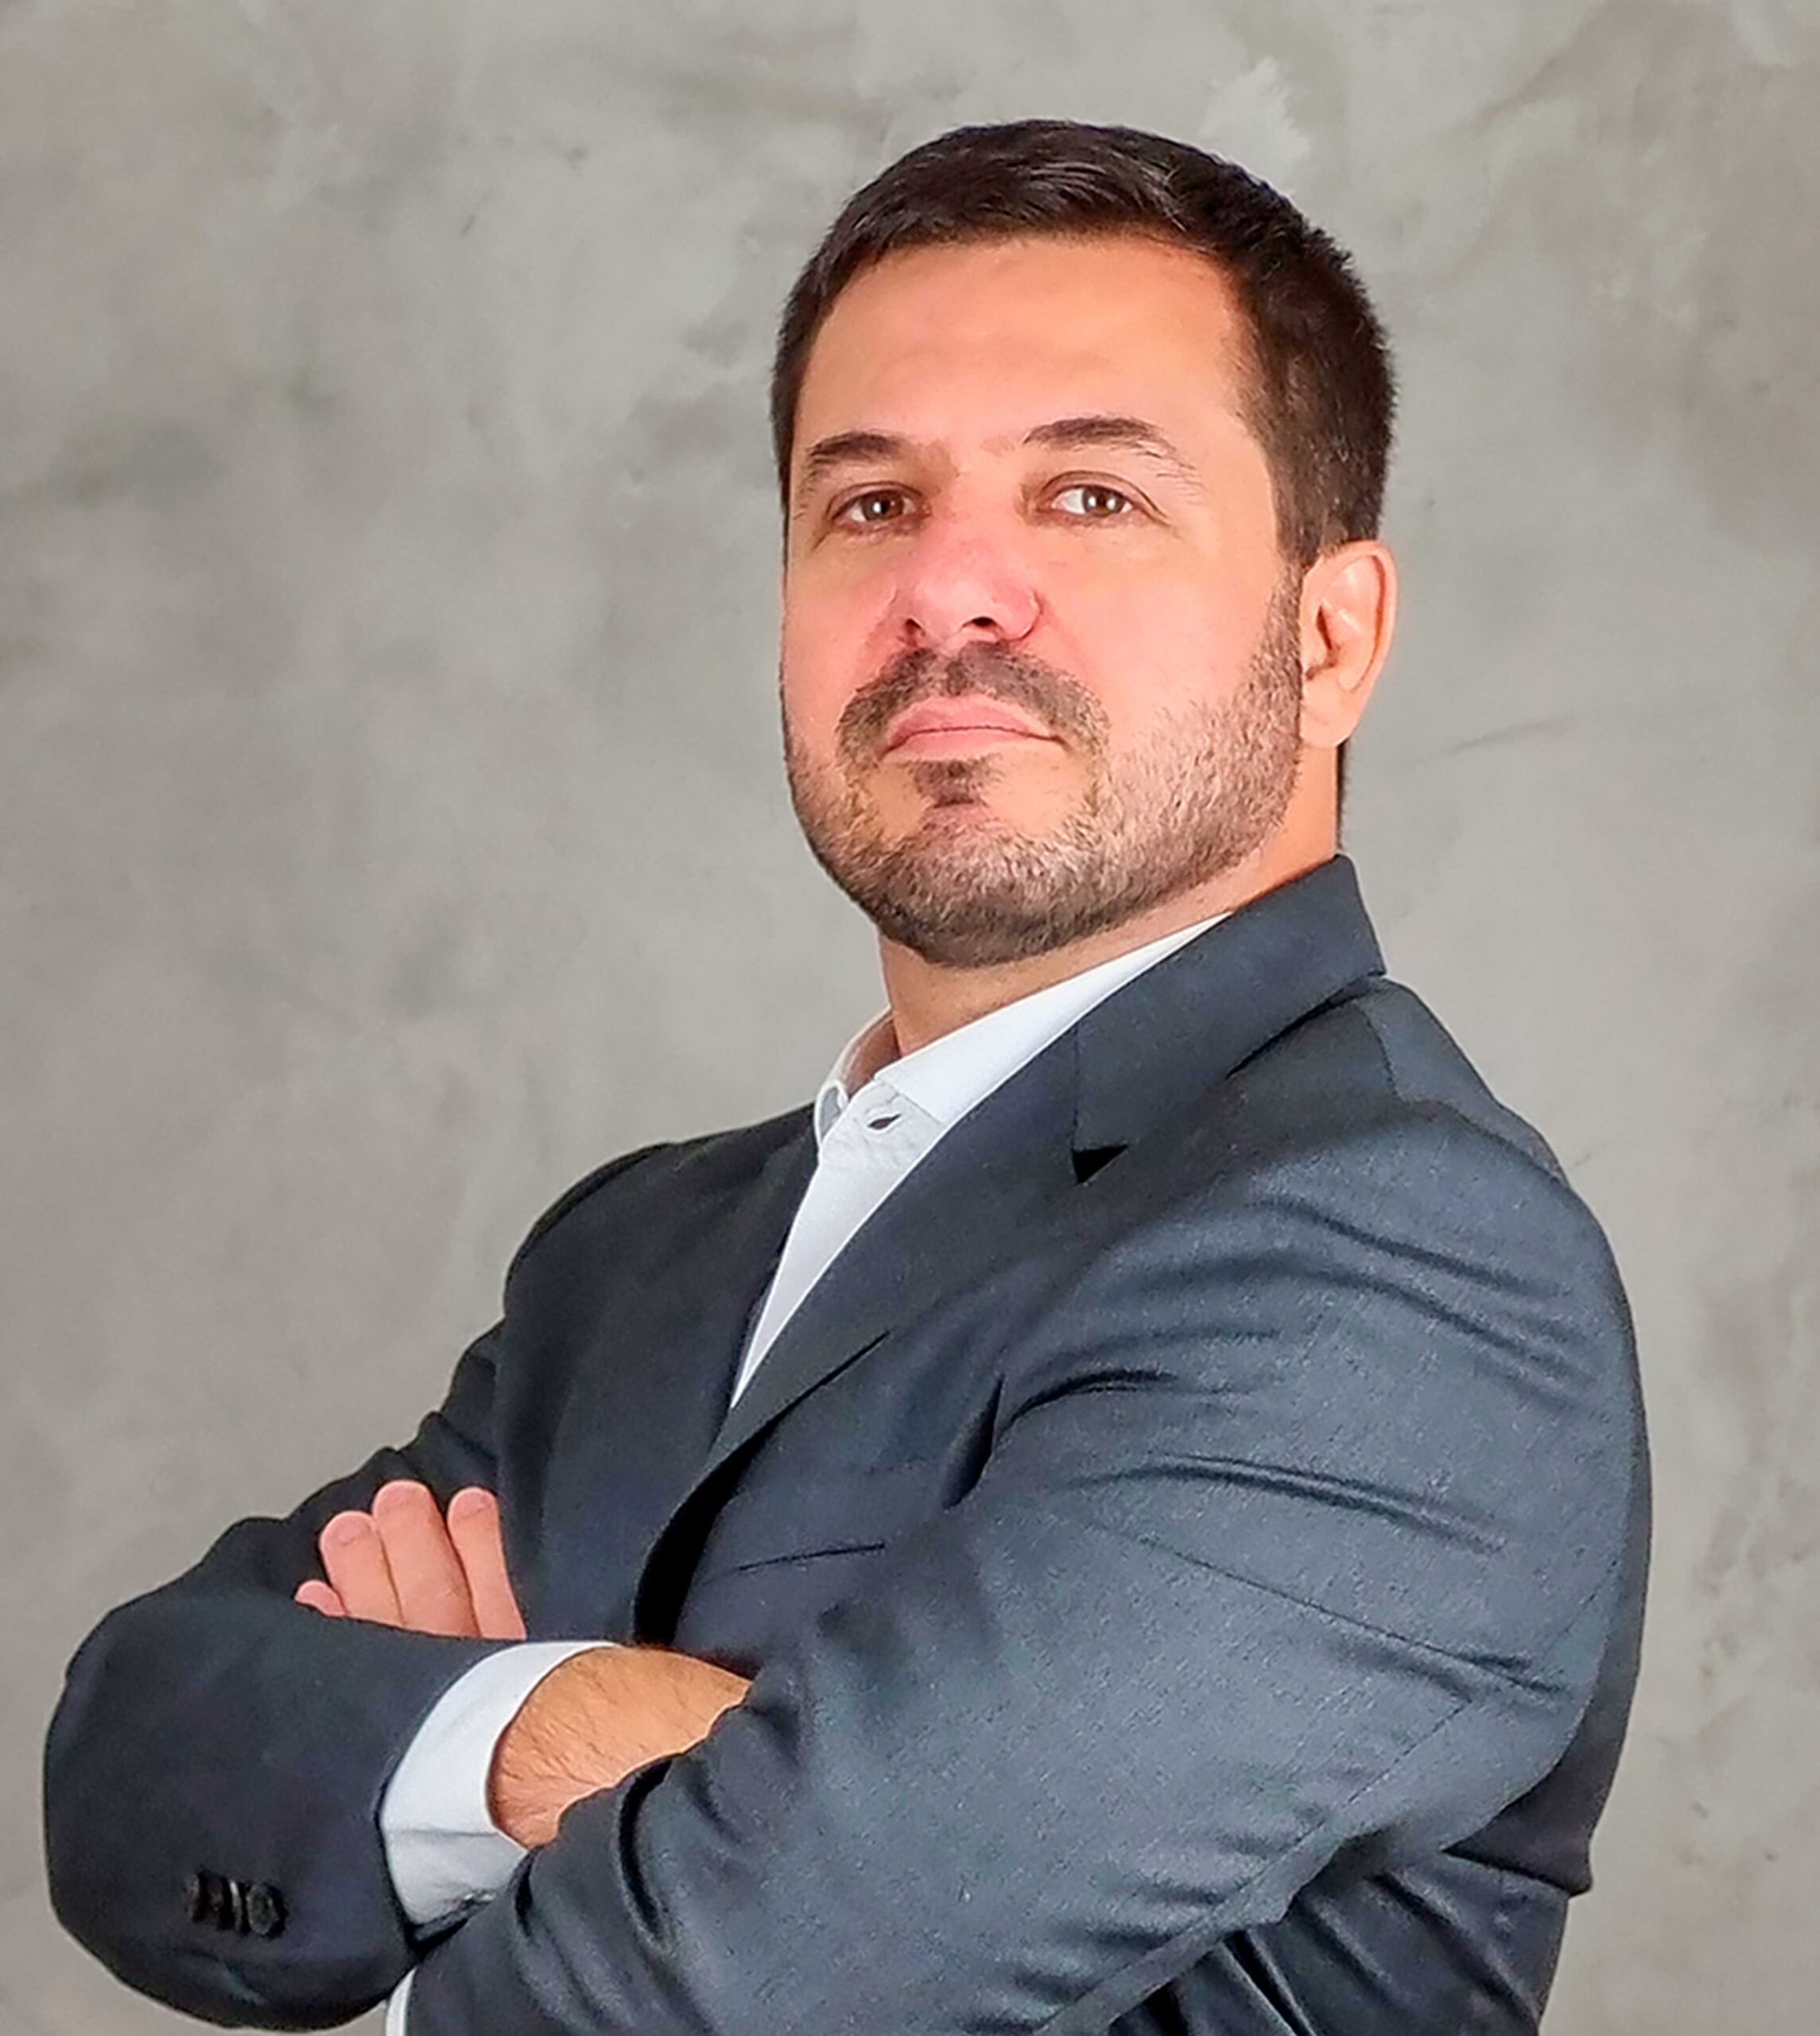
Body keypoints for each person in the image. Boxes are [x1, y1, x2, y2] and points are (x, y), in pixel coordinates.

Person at [43, 119, 1648, 2036]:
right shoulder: (637, 1257)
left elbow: (764, 1973)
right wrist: (567, 1722)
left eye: (1088, 496)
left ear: (1329, 635)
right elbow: (135, 1750)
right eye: (871, 503)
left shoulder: (1398, 1258)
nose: (950, 591)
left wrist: (443, 1766)